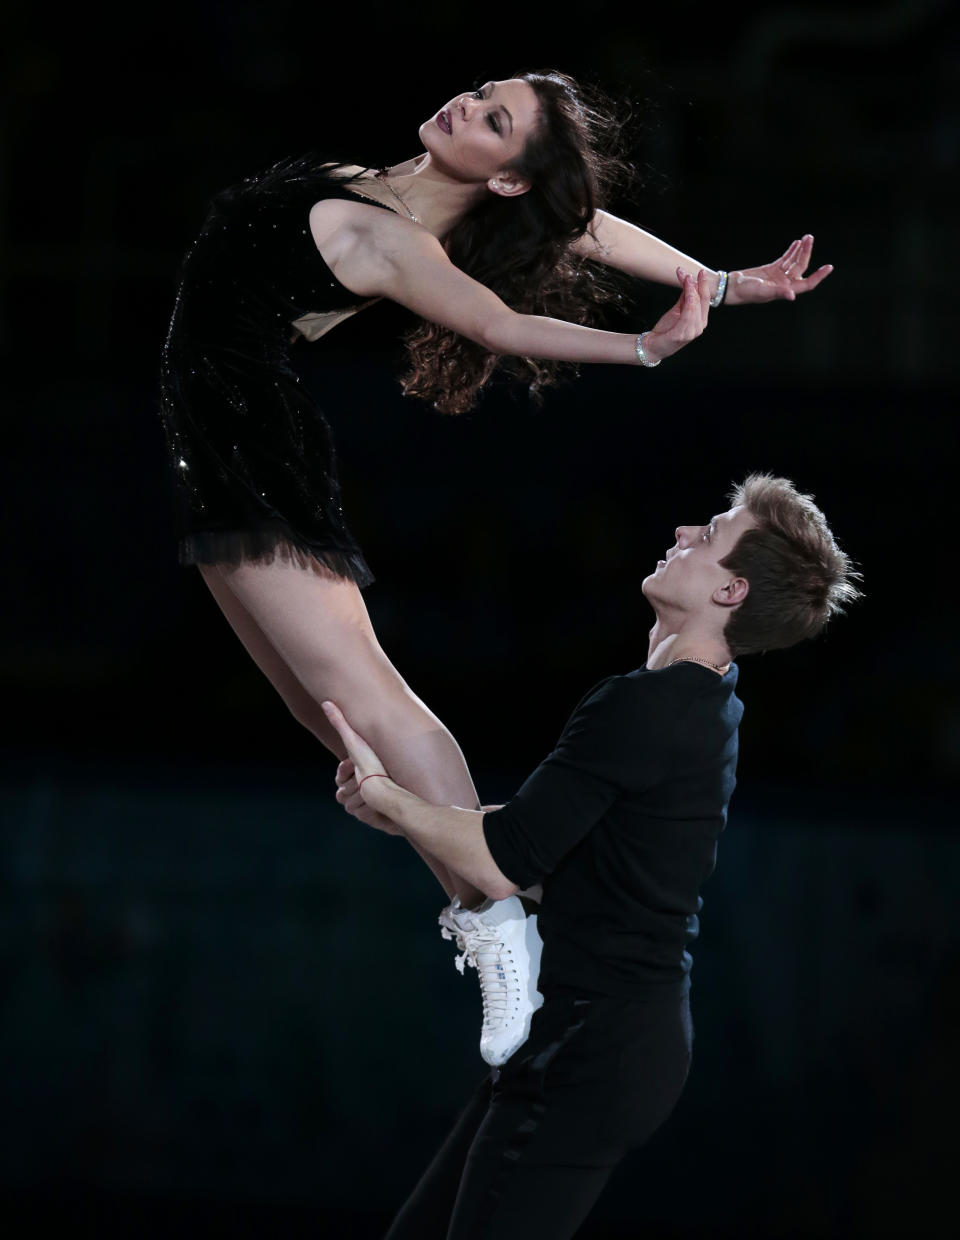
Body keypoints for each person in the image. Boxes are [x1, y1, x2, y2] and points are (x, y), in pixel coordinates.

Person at [157, 69, 834, 1048]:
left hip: (252, 455)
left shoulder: (392, 242)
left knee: (372, 698)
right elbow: (586, 222)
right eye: (482, 92)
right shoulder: (366, 181)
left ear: (506, 179)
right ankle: (493, 913)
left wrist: (649, 348)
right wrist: (723, 284)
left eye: (493, 119)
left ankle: (502, 926)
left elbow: (502, 325)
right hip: (211, 450)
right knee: (326, 710)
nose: (464, 104)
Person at [322, 473, 861, 1240]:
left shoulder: (649, 706)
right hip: (595, 1037)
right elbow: (560, 847)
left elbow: (504, 860)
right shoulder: (704, 702)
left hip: (595, 1047)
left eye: (707, 536)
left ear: (732, 592)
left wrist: (394, 798)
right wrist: (405, 817)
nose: (681, 534)